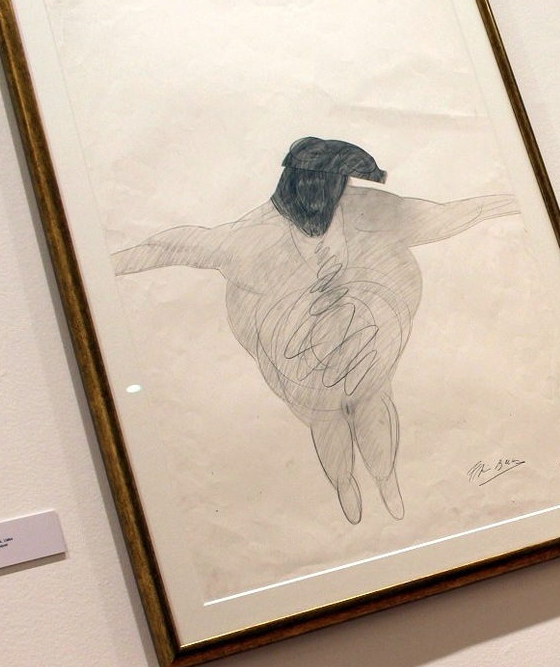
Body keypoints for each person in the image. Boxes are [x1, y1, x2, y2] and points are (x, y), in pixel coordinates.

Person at [112, 137, 519, 523]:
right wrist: (100, 269)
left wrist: (515, 201)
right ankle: (344, 484)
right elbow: (170, 247)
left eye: (327, 186)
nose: (317, 197)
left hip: (365, 343)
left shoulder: (366, 211)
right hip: (301, 358)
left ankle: (386, 480)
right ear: (292, 185)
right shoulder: (252, 235)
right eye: (310, 186)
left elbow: (446, 216)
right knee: (327, 419)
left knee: (374, 404)